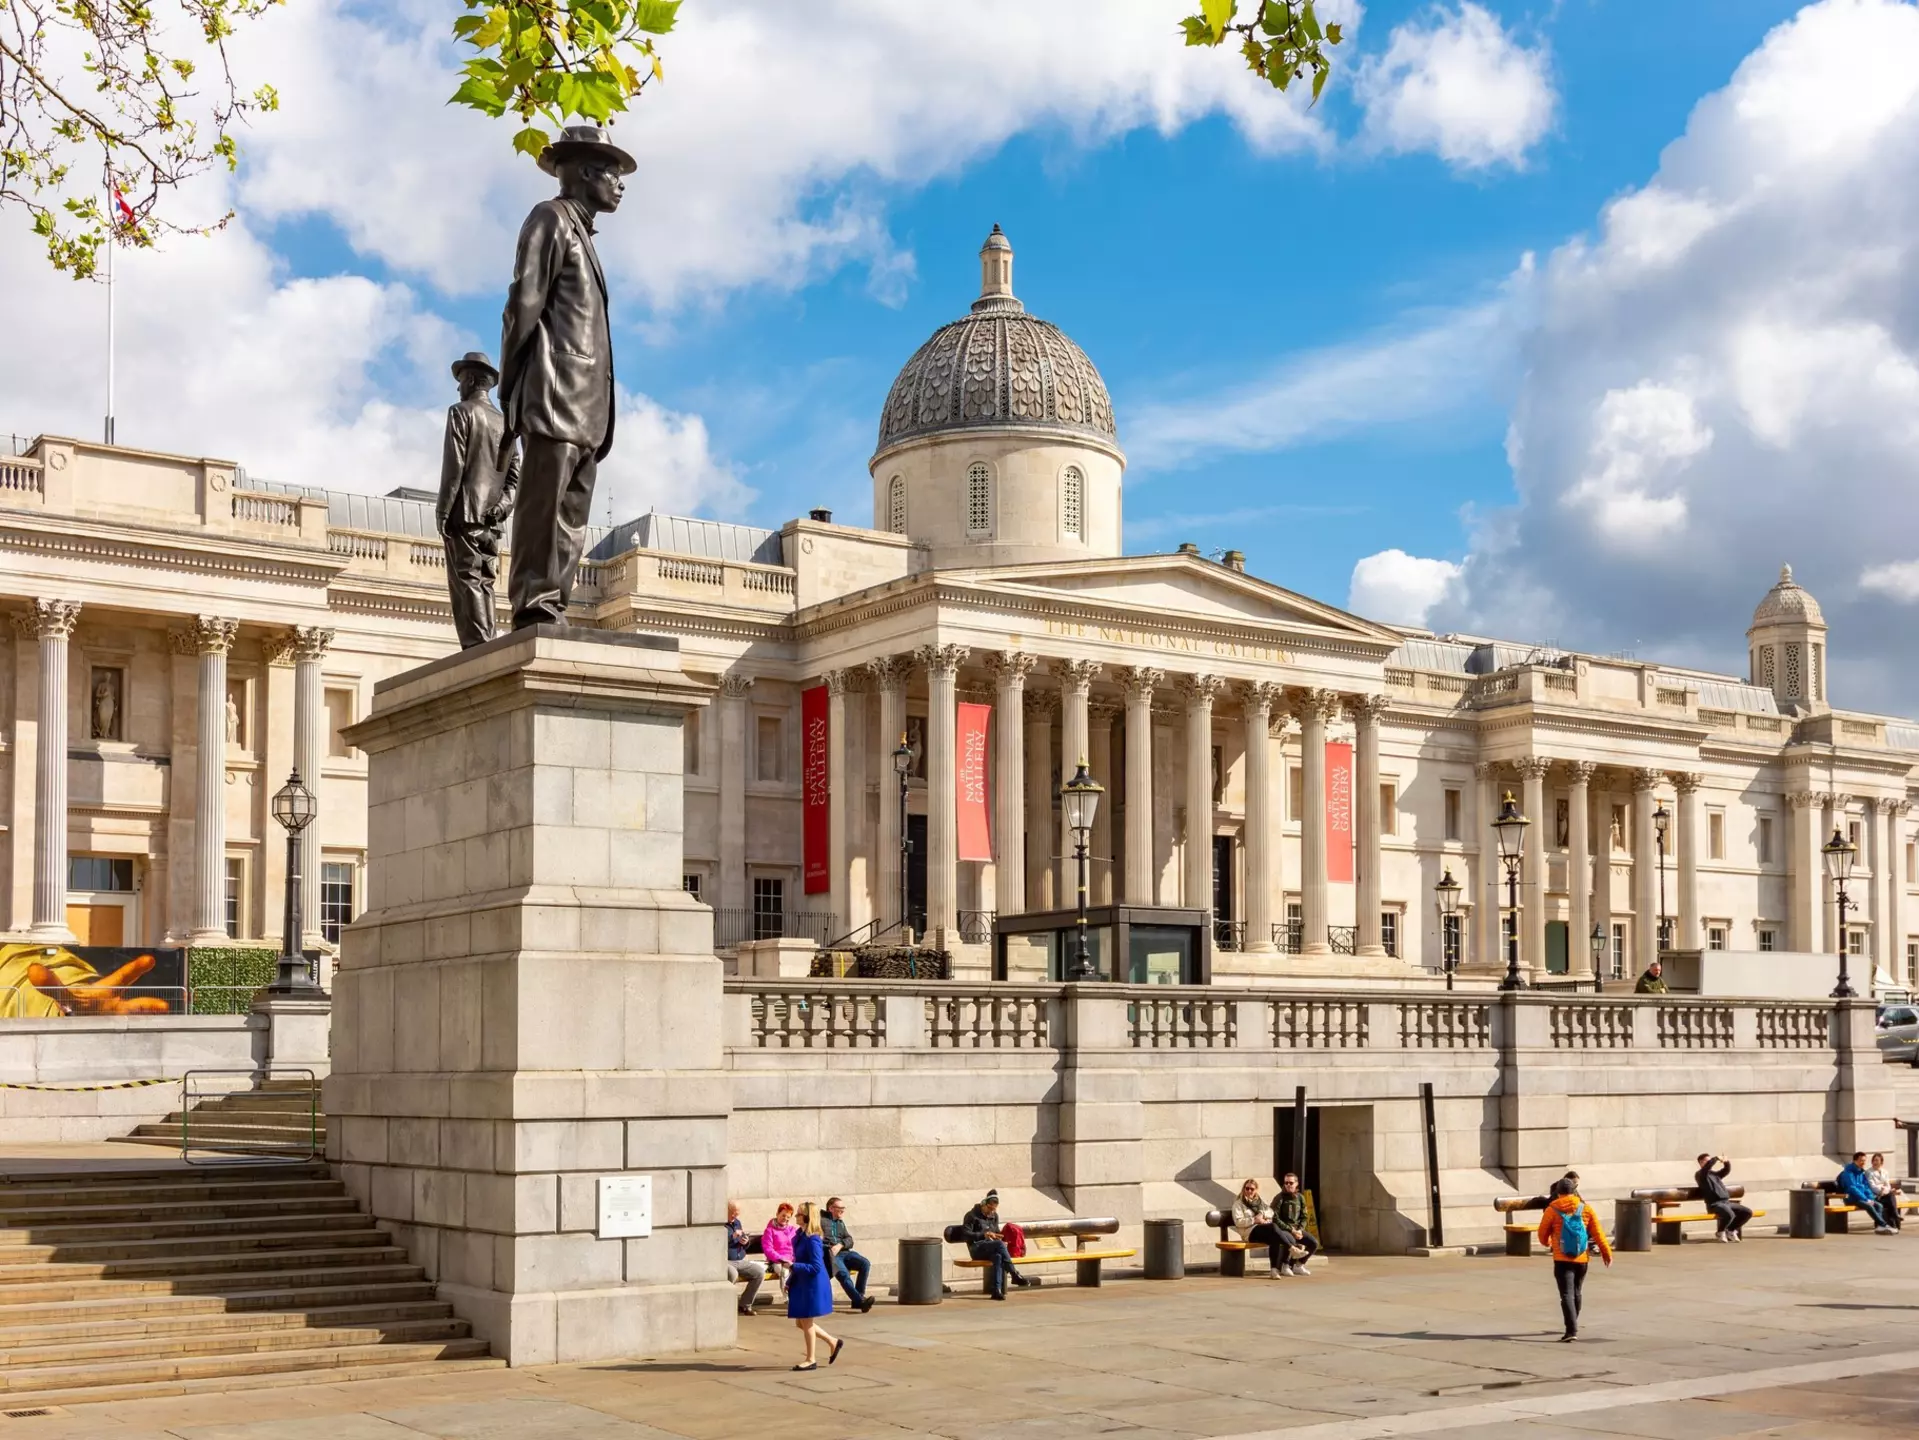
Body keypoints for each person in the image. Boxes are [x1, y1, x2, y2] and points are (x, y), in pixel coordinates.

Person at [498, 124, 633, 632]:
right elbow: (523, 305)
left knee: (571, 514)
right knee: (543, 506)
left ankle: (553, 601)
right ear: (584, 173)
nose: (620, 184)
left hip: (586, 407)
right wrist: (511, 387)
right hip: (554, 395)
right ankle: (534, 602)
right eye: (612, 173)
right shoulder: (550, 219)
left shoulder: (582, 234)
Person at [436, 350, 520, 649]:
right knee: (485, 579)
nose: (458, 388)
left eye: (460, 381)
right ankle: (487, 640)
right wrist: (502, 507)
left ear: (471, 380)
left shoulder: (460, 412)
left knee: (467, 579)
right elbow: (515, 476)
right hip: (492, 519)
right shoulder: (506, 424)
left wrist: (443, 511)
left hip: (466, 511)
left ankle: (477, 645)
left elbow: (454, 466)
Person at [1538, 1177, 1612, 1341]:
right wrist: (1606, 1253)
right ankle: (1573, 1321)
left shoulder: (1552, 1209)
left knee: (1566, 1294)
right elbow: (1598, 1233)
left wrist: (1548, 1242)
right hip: (1581, 1258)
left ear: (1558, 1193)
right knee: (1577, 1292)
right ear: (1574, 1191)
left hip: (1561, 1258)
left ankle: (1571, 1331)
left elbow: (1542, 1233)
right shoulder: (1585, 1209)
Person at [785, 1201, 843, 1371]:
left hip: (812, 1284)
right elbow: (800, 1261)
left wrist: (793, 1267)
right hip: (803, 1282)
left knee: (806, 1322)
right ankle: (833, 1341)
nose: (796, 1216)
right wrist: (790, 1279)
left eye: (799, 1214)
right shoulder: (801, 1235)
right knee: (800, 1322)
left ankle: (811, 1359)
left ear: (808, 1217)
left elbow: (816, 1266)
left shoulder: (813, 1239)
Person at [961, 1190, 1031, 1300]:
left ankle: (996, 1290)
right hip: (976, 1248)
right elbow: (966, 1234)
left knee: (998, 1256)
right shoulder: (971, 1216)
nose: (991, 1212)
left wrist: (998, 1236)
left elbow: (996, 1231)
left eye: (994, 1209)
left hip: (990, 1246)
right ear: (983, 1204)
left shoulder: (994, 1216)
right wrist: (983, 1235)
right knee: (999, 1245)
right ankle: (1014, 1273)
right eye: (989, 1209)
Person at [821, 1196, 875, 1311]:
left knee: (865, 1263)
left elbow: (850, 1240)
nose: (843, 1211)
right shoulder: (821, 1221)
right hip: (831, 1255)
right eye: (840, 1208)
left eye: (843, 1208)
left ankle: (858, 1299)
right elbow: (816, 1240)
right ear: (831, 1208)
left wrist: (840, 1245)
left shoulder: (840, 1223)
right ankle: (860, 1301)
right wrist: (829, 1247)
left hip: (845, 1253)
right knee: (843, 1274)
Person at [1230, 1178, 1289, 1277]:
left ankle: (1274, 1270)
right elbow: (1238, 1222)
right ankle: (1291, 1247)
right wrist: (1254, 1220)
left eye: (1252, 1189)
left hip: (1262, 1228)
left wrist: (1262, 1214)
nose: (1249, 1191)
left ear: (1256, 1190)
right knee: (1273, 1227)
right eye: (1247, 1188)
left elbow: (1271, 1212)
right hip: (1249, 1232)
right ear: (1243, 1189)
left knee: (1274, 1238)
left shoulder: (1259, 1202)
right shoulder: (1238, 1204)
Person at [1694, 1154, 1751, 1242]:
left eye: (1710, 1160)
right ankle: (1720, 1232)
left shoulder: (1714, 1174)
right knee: (1730, 1214)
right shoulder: (1700, 1174)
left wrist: (1726, 1162)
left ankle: (1731, 1230)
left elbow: (1726, 1171)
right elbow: (1708, 1166)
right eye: (1707, 1160)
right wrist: (1716, 1158)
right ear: (1701, 1162)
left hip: (1726, 1202)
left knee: (1747, 1212)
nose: (1710, 1162)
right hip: (1714, 1204)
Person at [1272, 1173, 1318, 1277]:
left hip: (1297, 1229)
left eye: (1291, 1183)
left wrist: (1300, 1229)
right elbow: (1275, 1218)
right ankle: (1285, 1265)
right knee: (1291, 1239)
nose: (1288, 1185)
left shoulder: (1300, 1198)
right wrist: (1291, 1230)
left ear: (1296, 1184)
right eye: (1286, 1183)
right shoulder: (1279, 1198)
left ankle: (1299, 1264)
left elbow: (1304, 1216)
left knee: (1314, 1243)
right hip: (1284, 1229)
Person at [1838, 1152, 1896, 1233]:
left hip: (1862, 1198)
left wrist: (1870, 1198)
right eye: (1861, 1160)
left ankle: (1879, 1227)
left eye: (1864, 1161)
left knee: (1879, 1205)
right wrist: (1866, 1199)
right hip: (1851, 1198)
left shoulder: (1861, 1172)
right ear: (1855, 1161)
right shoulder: (1848, 1173)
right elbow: (1852, 1188)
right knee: (1869, 1206)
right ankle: (1883, 1225)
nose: (1863, 1163)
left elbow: (1866, 1187)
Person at [726, 1201, 765, 1316]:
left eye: (737, 1213)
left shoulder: (737, 1223)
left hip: (740, 1259)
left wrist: (745, 1242)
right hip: (726, 1261)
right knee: (732, 1274)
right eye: (733, 1213)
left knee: (759, 1272)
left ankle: (745, 1305)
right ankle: (726, 1306)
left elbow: (742, 1242)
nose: (735, 1216)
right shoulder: (720, 1225)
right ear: (726, 1210)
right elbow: (717, 1243)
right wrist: (732, 1236)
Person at [761, 1203, 798, 1293]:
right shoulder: (769, 1230)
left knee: (803, 1269)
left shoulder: (792, 1229)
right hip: (777, 1261)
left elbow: (798, 1245)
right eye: (783, 1215)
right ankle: (787, 1297)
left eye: (788, 1217)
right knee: (785, 1271)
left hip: (793, 1260)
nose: (785, 1218)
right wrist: (782, 1260)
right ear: (777, 1214)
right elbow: (768, 1250)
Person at [1865, 1153, 1903, 1232]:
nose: (1875, 1162)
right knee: (1890, 1197)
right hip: (1875, 1196)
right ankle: (1896, 1216)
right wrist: (1881, 1189)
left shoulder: (1885, 1172)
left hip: (1885, 1195)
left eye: (1877, 1160)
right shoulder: (1869, 1172)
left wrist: (1884, 1190)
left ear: (1881, 1162)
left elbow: (1888, 1185)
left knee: (1890, 1197)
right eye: (1874, 1160)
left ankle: (1894, 1219)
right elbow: (1872, 1186)